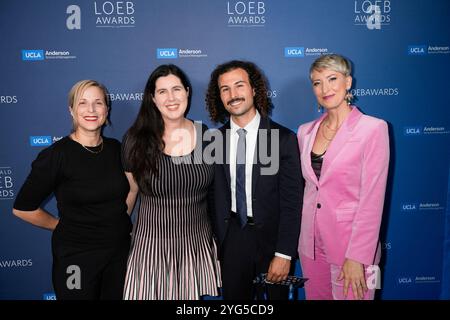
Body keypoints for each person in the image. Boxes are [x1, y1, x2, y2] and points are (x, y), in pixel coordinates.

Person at [12, 80, 132, 300]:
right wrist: (62, 226)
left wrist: (120, 220)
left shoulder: (117, 149)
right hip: (76, 258)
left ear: (107, 109)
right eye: (83, 103)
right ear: (71, 110)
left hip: (119, 255)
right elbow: (22, 209)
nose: (91, 110)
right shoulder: (56, 156)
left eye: (98, 103)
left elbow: (131, 189)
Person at [121, 64, 221, 300]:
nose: (171, 98)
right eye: (162, 91)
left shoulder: (206, 136)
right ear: (153, 99)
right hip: (151, 250)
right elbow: (130, 194)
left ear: (187, 92)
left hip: (195, 248)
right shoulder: (135, 140)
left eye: (176, 89)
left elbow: (218, 194)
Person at [205, 60, 303, 300]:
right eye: (225, 89)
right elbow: (210, 197)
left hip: (273, 241)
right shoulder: (212, 141)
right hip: (232, 240)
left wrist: (284, 254)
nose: (233, 94)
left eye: (239, 85)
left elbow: (293, 202)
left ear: (254, 89)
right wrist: (217, 246)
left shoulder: (283, 139)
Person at [297, 54, 390, 300]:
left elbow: (373, 199)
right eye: (317, 83)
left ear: (348, 82)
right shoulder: (305, 131)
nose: (325, 88)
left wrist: (358, 257)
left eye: (332, 79)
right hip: (311, 247)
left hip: (354, 250)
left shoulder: (374, 128)